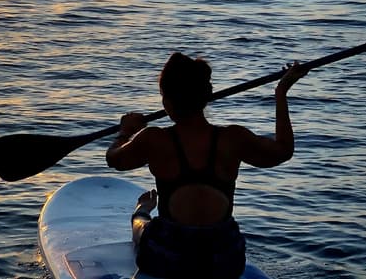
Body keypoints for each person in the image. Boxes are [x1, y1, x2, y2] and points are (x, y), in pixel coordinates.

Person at [106, 52, 309, 278]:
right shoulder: (233, 138)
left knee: (140, 223)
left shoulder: (154, 139)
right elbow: (283, 151)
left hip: (169, 257)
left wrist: (126, 131)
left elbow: (114, 159)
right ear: (207, 96)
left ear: (167, 102)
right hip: (224, 259)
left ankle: (142, 209)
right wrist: (281, 92)